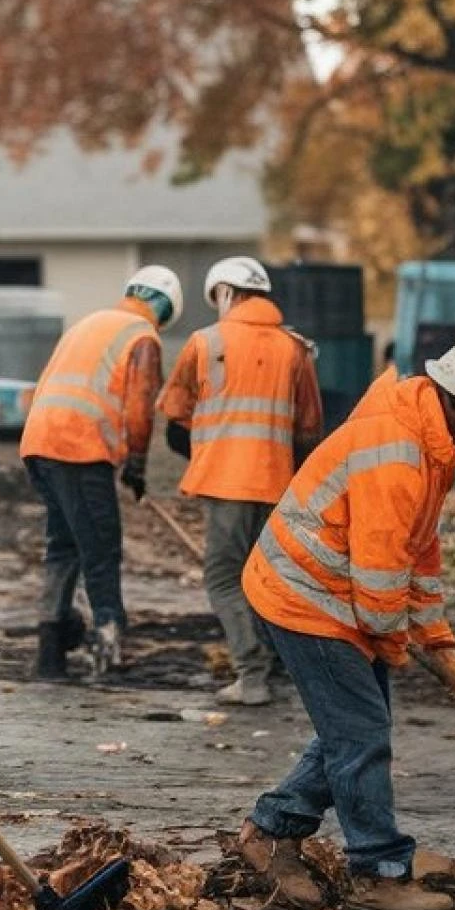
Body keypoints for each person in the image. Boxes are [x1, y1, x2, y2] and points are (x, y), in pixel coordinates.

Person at [233, 338, 455, 910]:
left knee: (355, 727)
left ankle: (269, 829)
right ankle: (379, 872)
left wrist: (441, 644)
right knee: (360, 733)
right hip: (305, 598)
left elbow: (421, 555)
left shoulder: (430, 446)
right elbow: (381, 575)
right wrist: (396, 646)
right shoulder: (398, 456)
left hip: (335, 596)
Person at [157, 257, 324, 707]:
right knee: (263, 579)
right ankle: (277, 666)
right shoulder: (296, 349)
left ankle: (252, 675)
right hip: (275, 486)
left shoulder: (204, 342)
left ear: (226, 292)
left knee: (224, 579)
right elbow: (310, 426)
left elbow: (174, 410)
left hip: (224, 483)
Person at [19, 264, 183, 681]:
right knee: (101, 548)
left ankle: (50, 651)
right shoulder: (142, 337)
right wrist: (138, 464)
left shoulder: (88, 323)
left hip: (40, 443)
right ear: (164, 308)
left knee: (65, 544)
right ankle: (107, 644)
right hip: (79, 447)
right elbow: (139, 409)